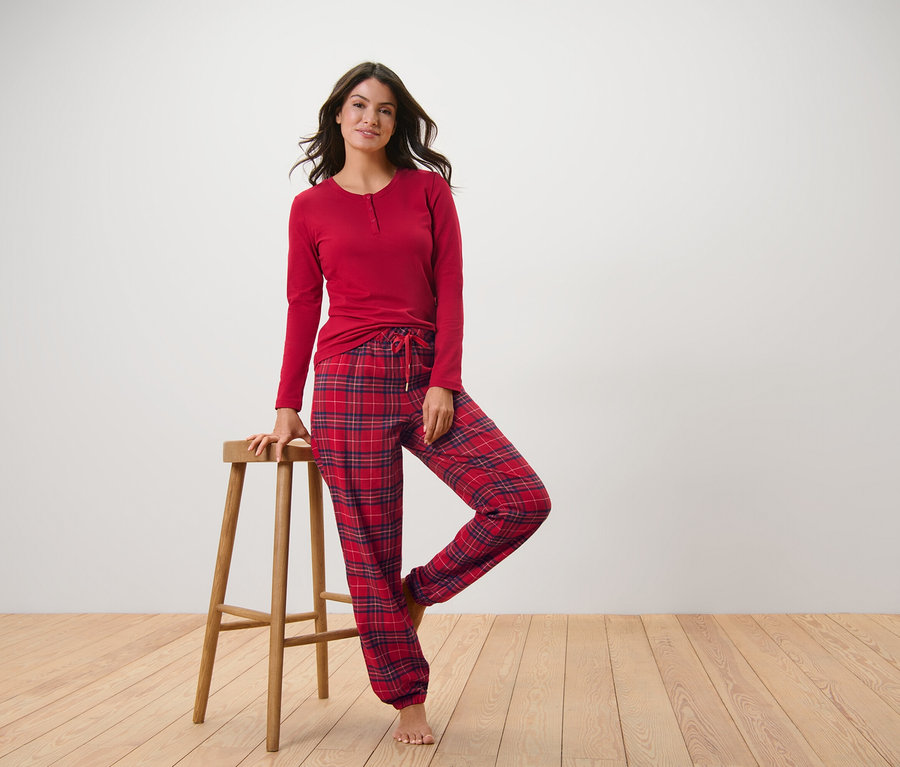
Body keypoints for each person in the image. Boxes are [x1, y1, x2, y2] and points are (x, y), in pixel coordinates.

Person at [247, 62, 550, 746]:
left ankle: (418, 591)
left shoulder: (428, 191)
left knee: (519, 497)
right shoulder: (311, 207)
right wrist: (286, 402)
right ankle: (407, 696)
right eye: (359, 105)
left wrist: (444, 379)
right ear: (337, 115)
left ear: (396, 122)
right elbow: (302, 306)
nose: (371, 119)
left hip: (420, 371)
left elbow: (452, 287)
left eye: (385, 110)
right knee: (368, 546)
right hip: (347, 381)